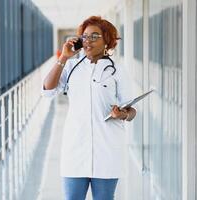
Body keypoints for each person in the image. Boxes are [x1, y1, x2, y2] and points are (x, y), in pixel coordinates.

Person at [42, 16, 137, 200]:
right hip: (75, 148)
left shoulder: (117, 70)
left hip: (107, 149)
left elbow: (132, 110)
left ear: (107, 41)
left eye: (95, 36)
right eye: (85, 37)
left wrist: (122, 114)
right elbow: (47, 90)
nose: (88, 41)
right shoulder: (70, 66)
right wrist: (63, 57)